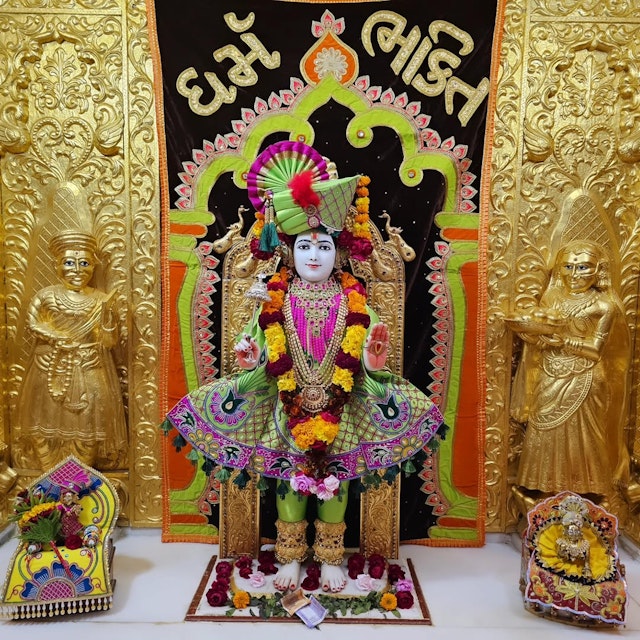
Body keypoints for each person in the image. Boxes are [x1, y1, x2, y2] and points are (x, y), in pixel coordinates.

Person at [165, 141, 445, 593]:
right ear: (290, 253)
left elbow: (369, 355)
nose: (314, 255)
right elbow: (257, 347)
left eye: (324, 246)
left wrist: (372, 357)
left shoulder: (354, 301)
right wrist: (252, 358)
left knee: (336, 481)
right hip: (285, 405)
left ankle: (331, 557)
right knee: (291, 481)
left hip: (343, 406)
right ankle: (291, 556)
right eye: (305, 246)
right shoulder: (275, 300)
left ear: (339, 253)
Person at [509, 240, 630, 516]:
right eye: (568, 267)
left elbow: (596, 351)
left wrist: (563, 341)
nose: (574, 275)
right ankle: (544, 491)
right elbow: (543, 334)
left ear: (598, 270)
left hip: (585, 377)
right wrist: (534, 336)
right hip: (550, 372)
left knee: (586, 436)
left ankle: (588, 494)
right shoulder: (553, 298)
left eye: (583, 268)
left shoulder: (605, 305)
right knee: (544, 430)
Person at [18, 230, 128, 472]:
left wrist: (109, 321)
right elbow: (32, 323)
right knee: (42, 425)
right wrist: (55, 336)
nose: (77, 270)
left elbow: (109, 342)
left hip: (90, 366)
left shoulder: (101, 299)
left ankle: (77, 481)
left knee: (91, 425)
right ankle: (49, 479)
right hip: (50, 365)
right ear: (56, 265)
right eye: (69, 262)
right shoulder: (46, 296)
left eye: (85, 263)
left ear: (93, 267)